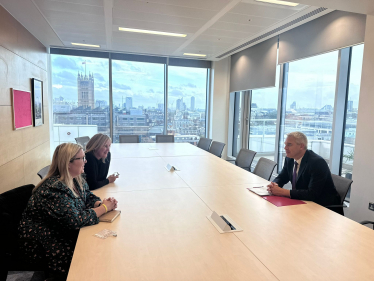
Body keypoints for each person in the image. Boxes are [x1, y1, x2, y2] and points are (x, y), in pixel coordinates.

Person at [19, 143, 118, 280]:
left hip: (63, 232)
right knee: (95, 258)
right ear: (68, 163)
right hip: (49, 244)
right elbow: (75, 220)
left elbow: (87, 195)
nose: (86, 161)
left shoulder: (77, 178)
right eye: (82, 158)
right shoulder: (53, 189)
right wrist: (104, 208)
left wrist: (100, 203)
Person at [267, 132, 342, 214]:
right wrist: (274, 184)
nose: (285, 148)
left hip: (323, 208)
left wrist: (283, 192)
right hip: (302, 203)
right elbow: (282, 176)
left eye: (289, 145)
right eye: (285, 144)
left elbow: (312, 194)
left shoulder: (317, 162)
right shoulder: (290, 159)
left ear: (301, 146)